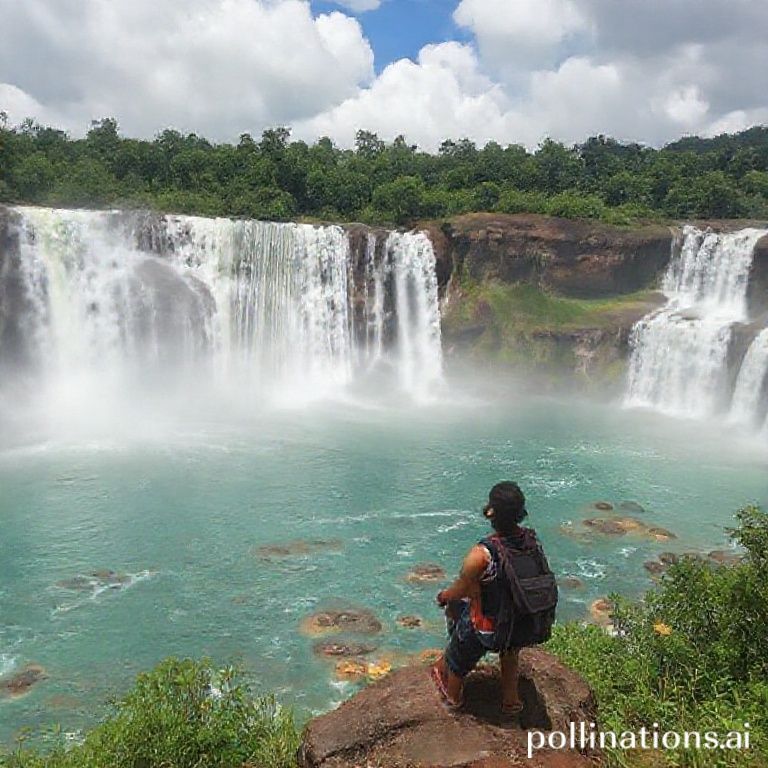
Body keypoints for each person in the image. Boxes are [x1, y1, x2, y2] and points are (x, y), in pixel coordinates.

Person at [431, 481, 557, 714]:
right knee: (509, 646)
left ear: (491, 512)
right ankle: (511, 700)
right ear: (520, 513)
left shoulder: (482, 554)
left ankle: (452, 694)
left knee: (461, 624)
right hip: (525, 626)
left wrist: (444, 596)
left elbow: (461, 589)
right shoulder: (532, 542)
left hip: (495, 631)